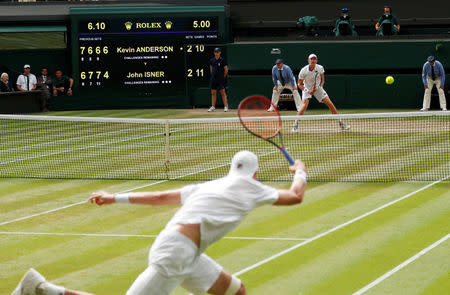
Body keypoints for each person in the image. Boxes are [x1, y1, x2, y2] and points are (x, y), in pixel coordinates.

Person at [12, 150, 307, 295]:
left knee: (236, 291)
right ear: (255, 174)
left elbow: (161, 197)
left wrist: (114, 197)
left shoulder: (209, 185)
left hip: (188, 254)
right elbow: (296, 196)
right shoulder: (252, 187)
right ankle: (42, 289)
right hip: (174, 254)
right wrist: (300, 170)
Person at [292, 54, 350, 132]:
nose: (313, 60)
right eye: (311, 59)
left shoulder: (320, 68)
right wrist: (307, 91)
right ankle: (295, 126)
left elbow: (323, 80)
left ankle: (341, 124)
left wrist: (320, 87)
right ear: (308, 60)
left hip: (318, 88)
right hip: (307, 88)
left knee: (330, 104)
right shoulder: (303, 70)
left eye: (314, 59)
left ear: (316, 60)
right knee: (304, 106)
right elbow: (299, 84)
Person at [208, 48, 229, 112]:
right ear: (214, 53)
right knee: (213, 93)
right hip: (213, 79)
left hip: (220, 79)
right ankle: (213, 107)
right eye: (215, 52)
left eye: (217, 52)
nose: (216, 53)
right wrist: (213, 76)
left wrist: (222, 77)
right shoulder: (211, 60)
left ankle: (226, 106)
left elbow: (226, 70)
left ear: (220, 53)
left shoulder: (222, 60)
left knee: (223, 93)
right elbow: (211, 69)